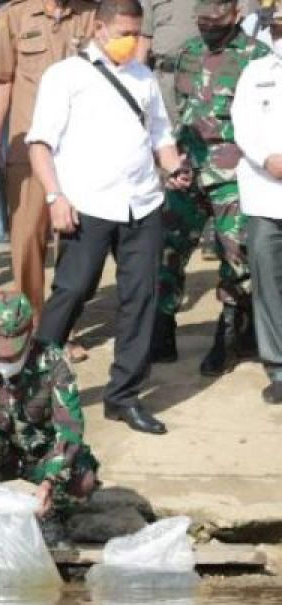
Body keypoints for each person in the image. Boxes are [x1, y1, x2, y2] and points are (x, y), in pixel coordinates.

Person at [28, 0, 192, 436]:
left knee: (140, 299)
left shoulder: (143, 77)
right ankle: (30, 384)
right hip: (87, 204)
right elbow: (40, 143)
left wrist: (173, 168)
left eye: (136, 33)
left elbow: (160, 134)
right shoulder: (66, 76)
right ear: (98, 28)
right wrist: (54, 196)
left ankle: (124, 396)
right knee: (72, 291)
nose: (130, 41)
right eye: (122, 31)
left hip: (142, 203)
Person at [151, 0, 269, 374]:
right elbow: (182, 109)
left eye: (215, 21)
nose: (207, 27)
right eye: (201, 20)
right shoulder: (189, 52)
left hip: (233, 174)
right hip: (188, 170)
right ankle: (161, 329)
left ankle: (232, 334)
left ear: (235, 15)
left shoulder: (258, 57)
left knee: (236, 256)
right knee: (167, 248)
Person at [0, 291, 99, 542]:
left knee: (83, 479)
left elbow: (69, 429)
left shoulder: (54, 363)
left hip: (41, 455)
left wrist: (48, 483)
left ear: (29, 339)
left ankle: (49, 514)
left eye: (9, 355)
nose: (1, 360)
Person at [0, 0, 99, 319]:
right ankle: (33, 325)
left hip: (78, 148)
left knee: (75, 241)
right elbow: (2, 81)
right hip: (29, 145)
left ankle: (63, 326)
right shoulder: (13, 16)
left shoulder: (91, 14)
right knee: (27, 241)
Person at [232, 12, 282, 403]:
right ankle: (279, 367)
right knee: (268, 285)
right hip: (265, 194)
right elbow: (242, 124)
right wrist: (267, 158)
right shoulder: (255, 72)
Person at [137, 0, 199, 122]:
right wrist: (137, 81)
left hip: (201, 77)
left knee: (201, 132)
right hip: (164, 79)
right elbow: (145, 38)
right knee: (164, 132)